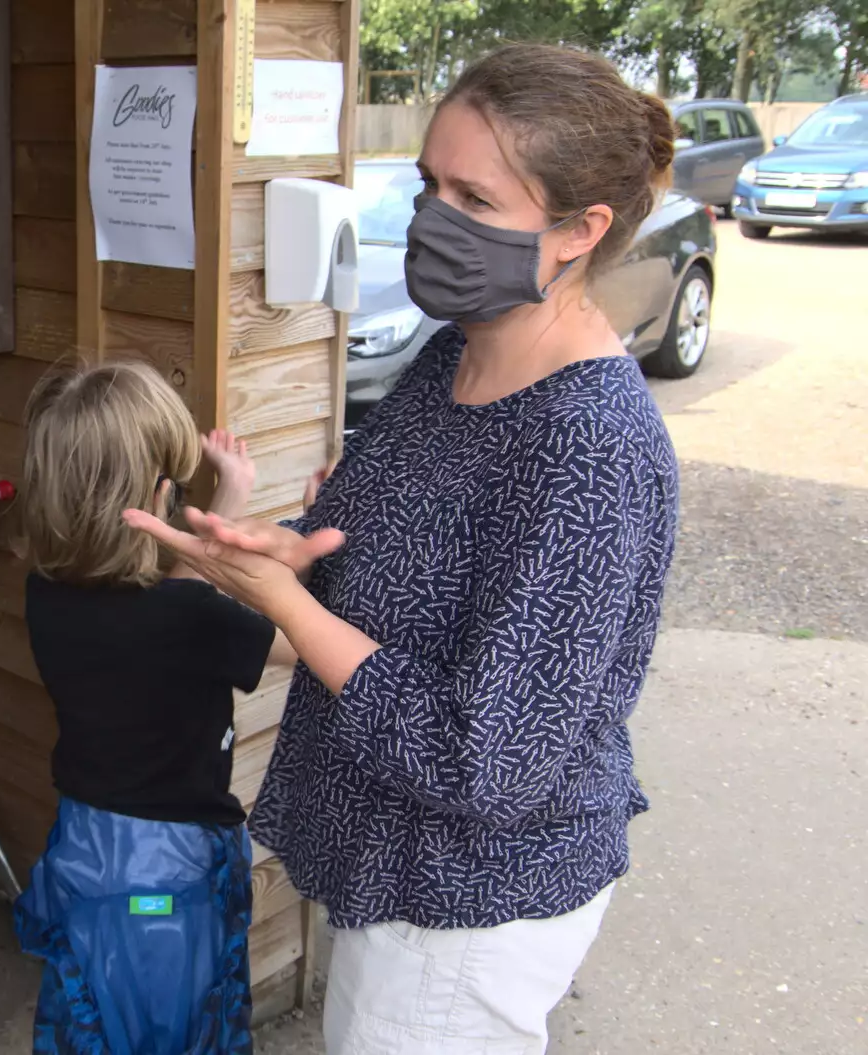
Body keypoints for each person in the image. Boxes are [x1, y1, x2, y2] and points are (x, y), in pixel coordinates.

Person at [126, 43, 681, 1055]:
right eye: (428, 182)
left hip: (462, 902)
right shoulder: (452, 358)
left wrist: (289, 607)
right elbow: (377, 584)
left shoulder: (587, 445)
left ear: (578, 231)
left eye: (474, 196)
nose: (432, 218)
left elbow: (486, 759)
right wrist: (289, 557)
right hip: (387, 857)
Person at [12, 360, 299, 1054]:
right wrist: (293, 550)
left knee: (97, 1017)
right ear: (157, 494)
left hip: (86, 848)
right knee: (179, 1027)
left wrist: (228, 502)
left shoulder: (45, 590)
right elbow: (303, 641)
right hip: (168, 874)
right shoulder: (193, 616)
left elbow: (162, 596)